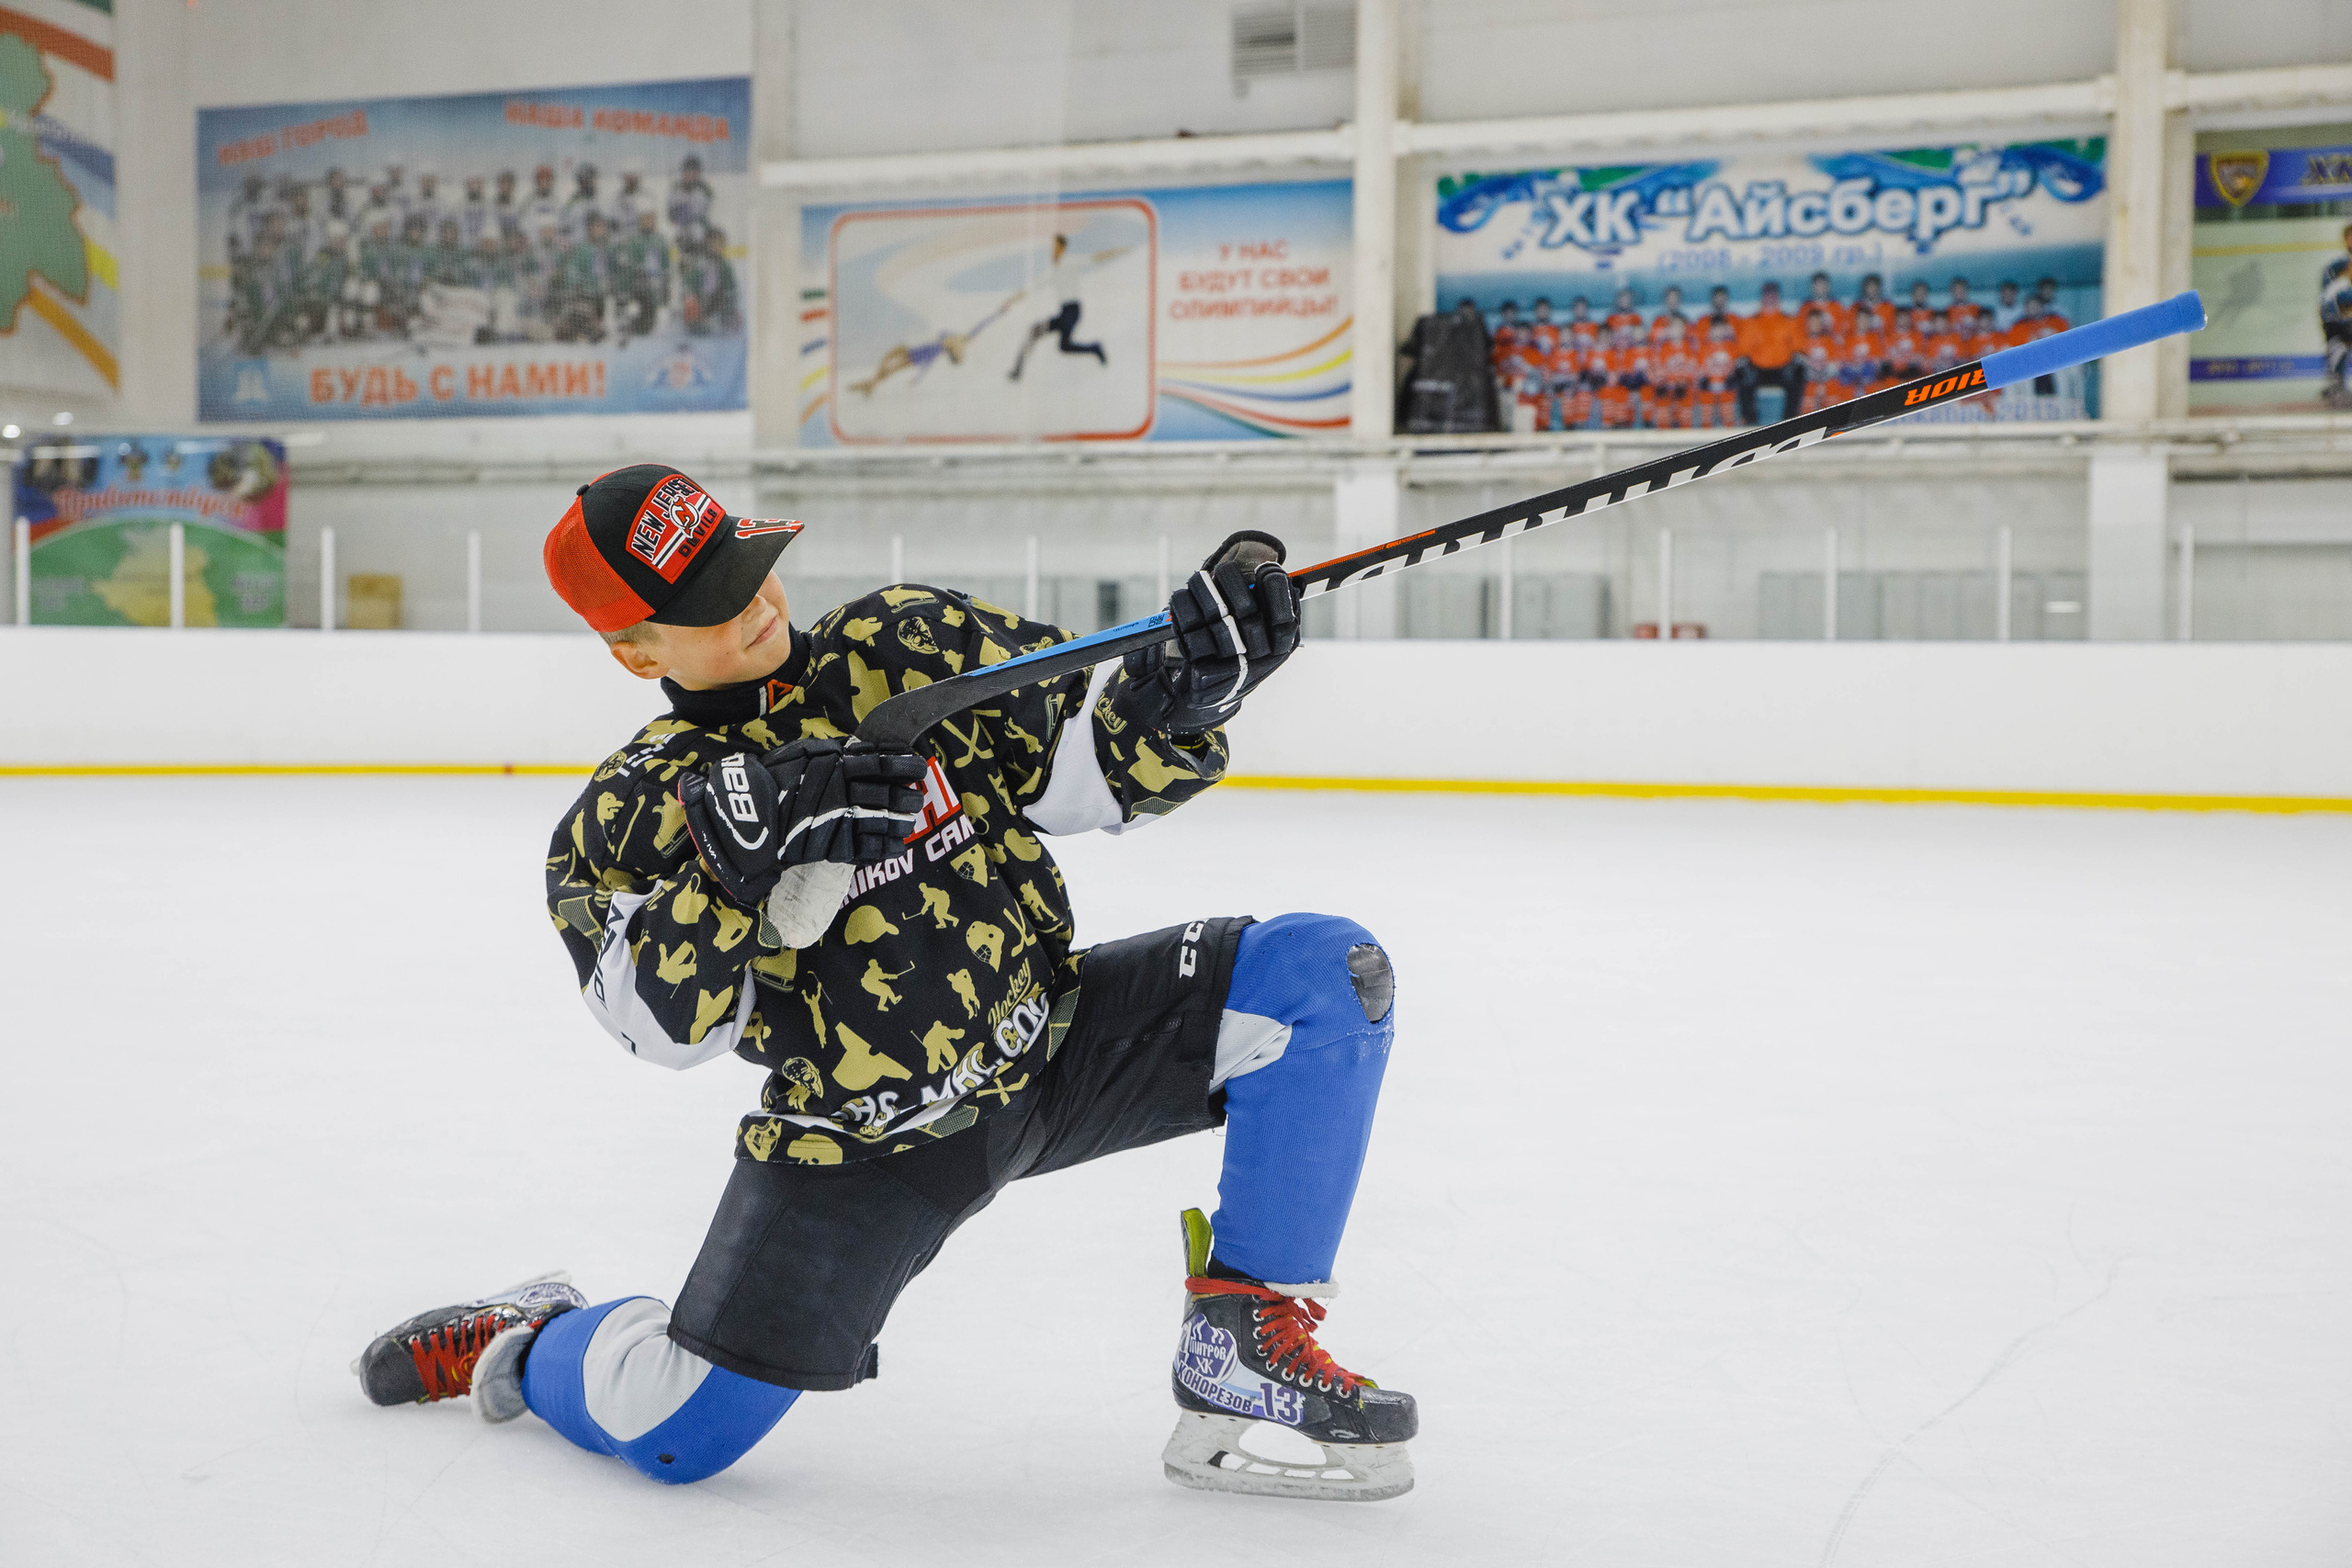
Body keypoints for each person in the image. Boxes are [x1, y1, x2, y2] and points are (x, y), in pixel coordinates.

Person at [352, 466, 1417, 1502]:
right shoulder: (634, 808)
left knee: (1324, 978)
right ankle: (538, 1334)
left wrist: (1183, 695)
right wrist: (732, 863)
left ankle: (1240, 1347)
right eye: (710, 603)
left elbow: (1086, 765)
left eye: (748, 567)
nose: (758, 603)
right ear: (634, 650)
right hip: (866, 1146)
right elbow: (662, 1031)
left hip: (1055, 1047)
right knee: (674, 1433)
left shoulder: (905, 645)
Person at [1009, 233, 1107, 380]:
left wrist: (1117, 251)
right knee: (1059, 344)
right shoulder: (1053, 269)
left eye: (1055, 247)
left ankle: (1095, 348)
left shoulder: (1070, 261)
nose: (1052, 250)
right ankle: (1017, 371)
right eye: (1052, 248)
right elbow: (1037, 284)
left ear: (1062, 248)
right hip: (1065, 312)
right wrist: (1015, 297)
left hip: (1072, 311)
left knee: (1054, 341)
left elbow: (1093, 258)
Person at [1735, 280, 1804, 423]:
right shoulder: (1751, 321)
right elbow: (1743, 351)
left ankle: (1790, 422)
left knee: (1799, 372)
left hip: (1782, 368)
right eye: (1767, 294)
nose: (1770, 298)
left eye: (1773, 295)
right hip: (1758, 369)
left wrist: (1793, 364)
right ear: (1762, 297)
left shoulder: (1788, 320)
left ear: (1778, 297)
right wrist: (1747, 366)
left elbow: (1798, 348)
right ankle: (1749, 423)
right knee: (1742, 374)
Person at [2321, 223, 2352, 408]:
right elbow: (2330, 301)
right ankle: (2336, 386)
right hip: (2341, 324)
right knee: (2337, 344)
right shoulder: (2335, 268)